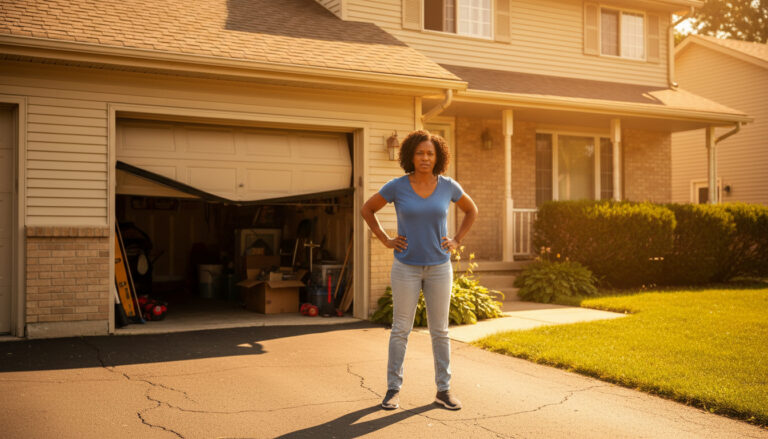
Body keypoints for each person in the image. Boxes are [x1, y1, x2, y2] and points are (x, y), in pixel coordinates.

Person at [360, 129, 478, 411]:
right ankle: (392, 390)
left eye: (430, 153)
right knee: (401, 329)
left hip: (439, 267)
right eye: (420, 153)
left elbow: (471, 210)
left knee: (440, 331)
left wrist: (457, 239)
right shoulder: (397, 186)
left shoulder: (448, 186)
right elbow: (367, 209)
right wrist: (386, 239)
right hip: (405, 267)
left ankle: (444, 390)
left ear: (438, 158)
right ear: (410, 156)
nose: (425, 158)